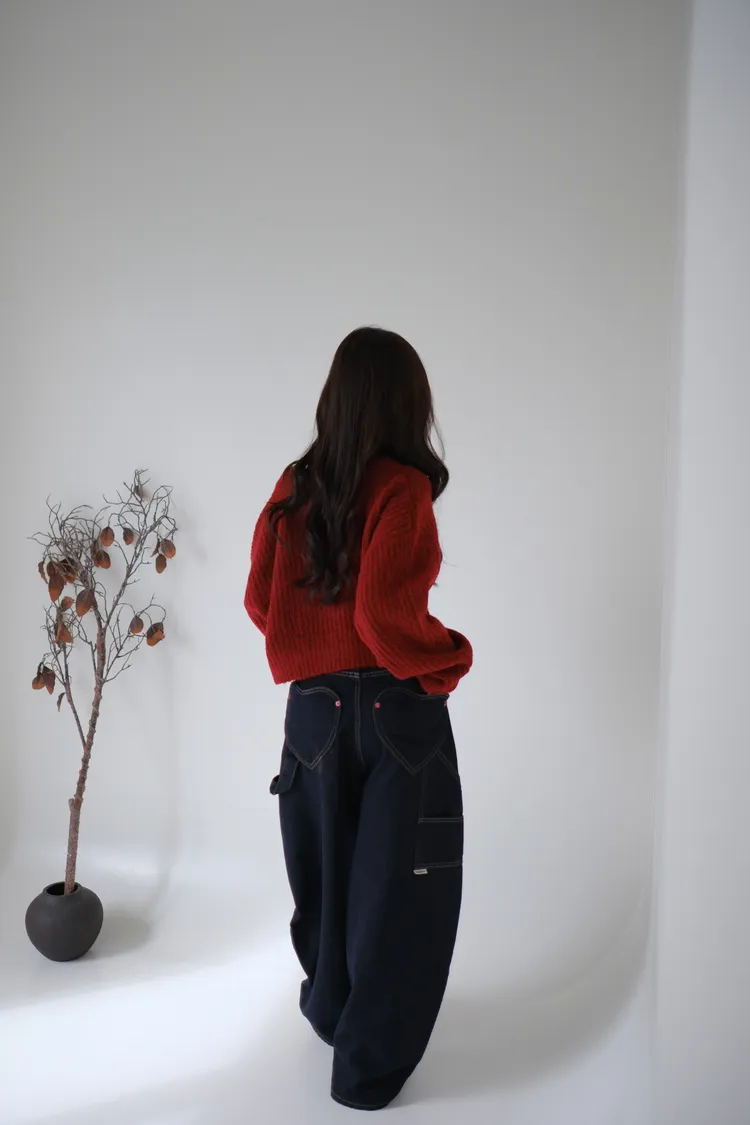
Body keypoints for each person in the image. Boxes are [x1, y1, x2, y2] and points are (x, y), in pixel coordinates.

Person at [244, 326, 473, 1110]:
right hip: (394, 711)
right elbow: (383, 617)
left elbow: (259, 601)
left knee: (327, 873)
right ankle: (367, 1073)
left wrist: (314, 647)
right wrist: (449, 656)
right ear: (408, 405)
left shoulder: (292, 485)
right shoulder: (402, 489)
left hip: (312, 712)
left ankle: (332, 1015)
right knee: (400, 890)